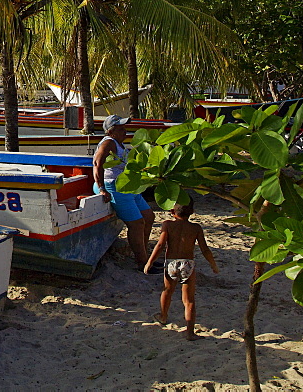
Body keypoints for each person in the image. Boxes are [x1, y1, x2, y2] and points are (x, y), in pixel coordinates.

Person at [145, 198, 219, 341]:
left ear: (172, 212)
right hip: (188, 263)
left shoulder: (167, 225)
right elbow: (205, 249)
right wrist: (213, 264)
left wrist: (149, 262)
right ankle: (190, 333)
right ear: (192, 212)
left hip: (171, 263)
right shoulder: (196, 228)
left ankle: (163, 316)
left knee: (167, 291)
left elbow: (160, 245)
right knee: (189, 300)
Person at [93, 113, 154, 270]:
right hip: (114, 186)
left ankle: (143, 254)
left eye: (124, 128)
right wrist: (101, 189)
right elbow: (97, 164)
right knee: (137, 224)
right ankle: (142, 263)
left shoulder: (119, 144)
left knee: (148, 216)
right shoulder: (108, 143)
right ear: (111, 131)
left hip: (128, 186)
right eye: (120, 129)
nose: (124, 132)